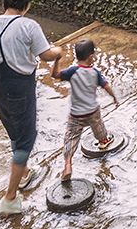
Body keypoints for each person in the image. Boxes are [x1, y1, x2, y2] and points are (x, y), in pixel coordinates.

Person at [0, 0, 62, 215]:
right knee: (26, 138)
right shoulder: (28, 26)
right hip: (19, 88)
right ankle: (10, 199)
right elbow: (46, 55)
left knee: (14, 130)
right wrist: (59, 51)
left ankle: (26, 172)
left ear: (6, 2)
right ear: (26, 5)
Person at [50, 37, 121, 181]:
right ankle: (103, 141)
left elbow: (55, 75)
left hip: (76, 113)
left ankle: (68, 164)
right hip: (92, 110)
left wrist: (57, 60)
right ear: (91, 57)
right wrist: (114, 98)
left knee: (71, 136)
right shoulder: (95, 73)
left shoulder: (72, 71)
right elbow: (106, 86)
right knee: (98, 126)